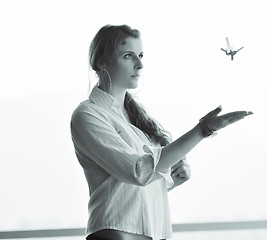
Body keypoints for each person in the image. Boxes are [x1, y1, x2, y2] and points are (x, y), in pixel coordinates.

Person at [70, 24, 252, 240]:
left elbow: (135, 189)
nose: (140, 64)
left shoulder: (137, 121)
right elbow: (138, 172)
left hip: (153, 233)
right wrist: (202, 130)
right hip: (115, 234)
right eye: (129, 56)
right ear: (101, 61)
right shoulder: (88, 115)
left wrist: (173, 179)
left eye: (140, 55)